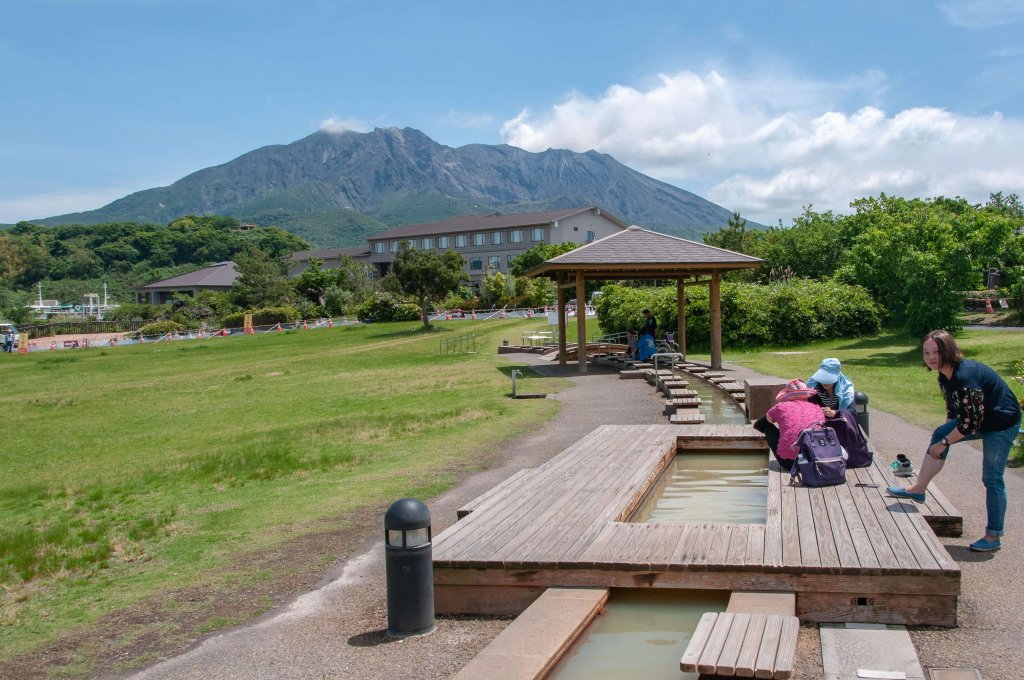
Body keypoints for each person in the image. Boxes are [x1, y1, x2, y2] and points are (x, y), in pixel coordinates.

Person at [887, 330, 1022, 553]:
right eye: (926, 352)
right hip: (979, 419)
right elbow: (954, 410)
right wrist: (943, 435)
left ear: (948, 351)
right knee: (939, 436)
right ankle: (918, 489)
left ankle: (993, 536)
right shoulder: (944, 375)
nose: (931, 357)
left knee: (992, 478)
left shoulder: (965, 377)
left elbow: (971, 423)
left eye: (936, 352)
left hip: (1001, 424)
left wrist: (945, 443)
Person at [752, 379, 825, 471]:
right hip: (815, 459)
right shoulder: (817, 408)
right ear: (806, 395)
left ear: (787, 395)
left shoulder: (780, 407)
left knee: (767, 427)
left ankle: (786, 446)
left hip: (789, 463)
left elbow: (760, 424)